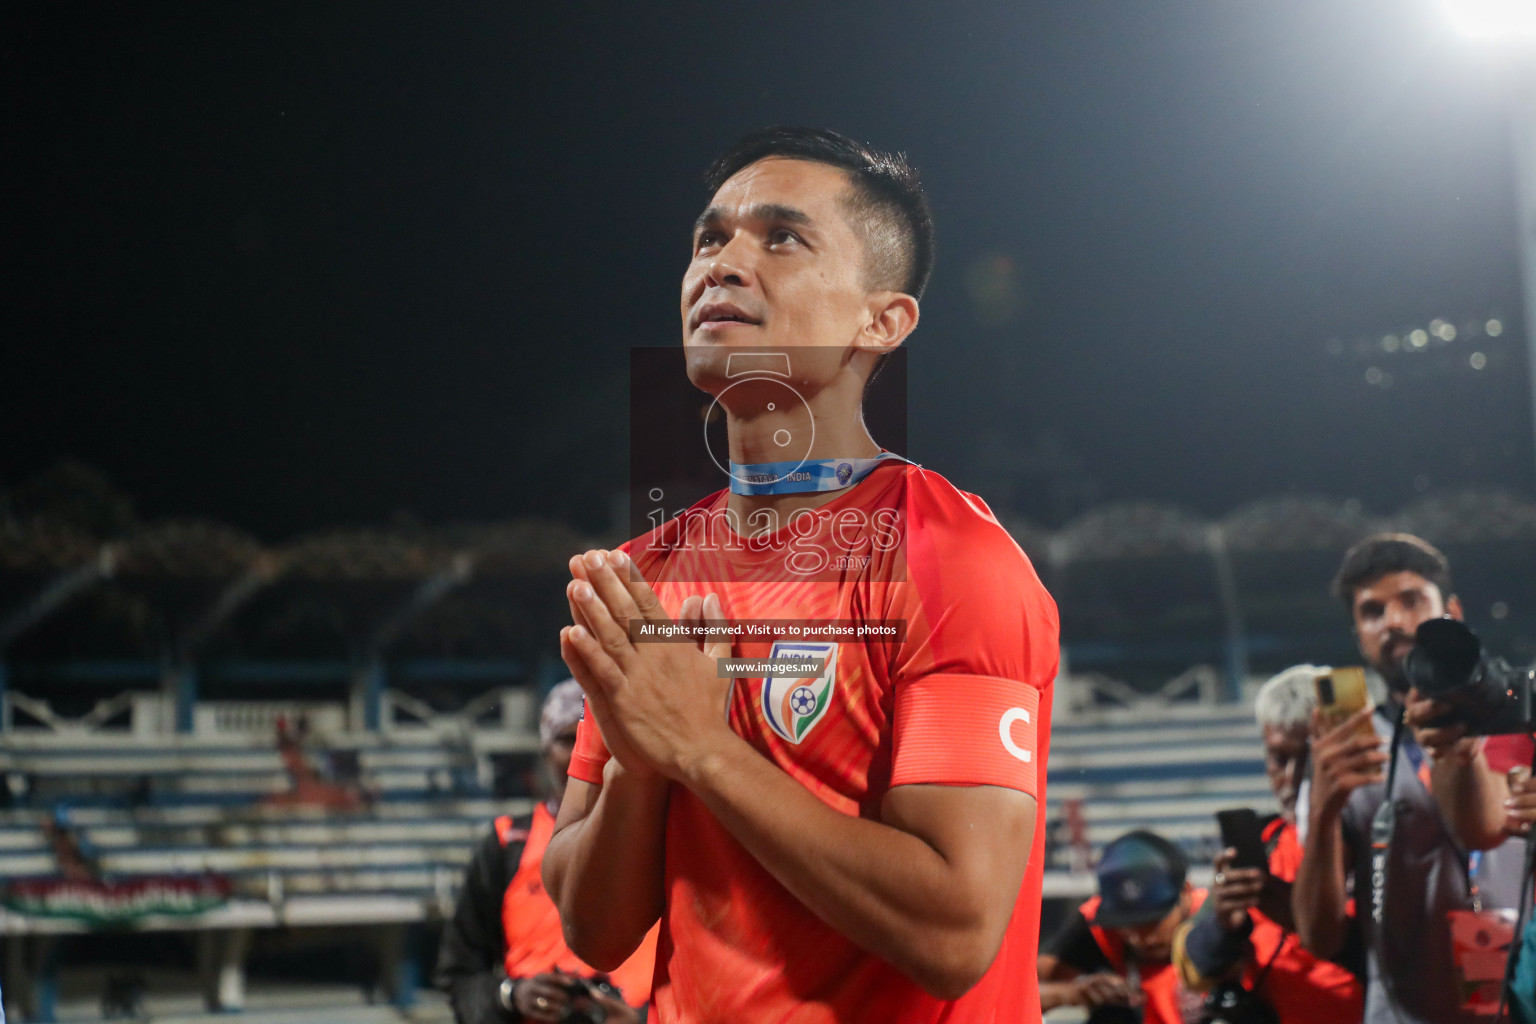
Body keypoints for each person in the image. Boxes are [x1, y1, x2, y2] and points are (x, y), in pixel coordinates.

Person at [542, 127, 1060, 1023]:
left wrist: (703, 750)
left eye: (781, 237)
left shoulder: (948, 559)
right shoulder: (643, 574)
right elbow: (594, 931)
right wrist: (643, 759)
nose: (724, 263)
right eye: (710, 238)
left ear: (882, 320)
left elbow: (954, 935)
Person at [1294, 532, 1518, 1023]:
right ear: (1358, 635)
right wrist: (1324, 808)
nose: (1392, 622)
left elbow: (1482, 830)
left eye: (1412, 601)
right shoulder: (1343, 751)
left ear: (1452, 612)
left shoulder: (1512, 716)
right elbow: (1319, 937)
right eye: (1372, 612)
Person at [435, 680, 654, 1023]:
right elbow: (459, 975)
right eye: (569, 739)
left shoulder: (661, 840)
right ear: (544, 750)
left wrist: (641, 1020)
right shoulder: (508, 844)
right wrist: (512, 995)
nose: (587, 752)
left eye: (601, 738)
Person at [1172, 664, 1364, 1022]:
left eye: (1308, 760)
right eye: (1279, 759)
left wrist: (1302, 919)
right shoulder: (1261, 842)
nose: (1292, 779)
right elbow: (1194, 968)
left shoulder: (1380, 841)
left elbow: (1408, 966)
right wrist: (1225, 924)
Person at [1039, 830, 1206, 1024]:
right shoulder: (1098, 924)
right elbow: (1023, 990)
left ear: (1185, 893)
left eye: (1152, 922)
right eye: (1127, 924)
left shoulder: (1218, 921)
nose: (1141, 938)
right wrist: (1075, 993)